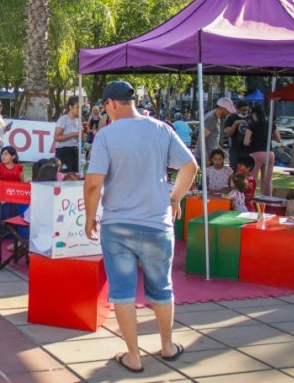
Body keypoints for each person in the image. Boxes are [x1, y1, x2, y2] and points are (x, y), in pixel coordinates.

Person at [84, 81, 197, 374]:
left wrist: (89, 217)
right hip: (157, 222)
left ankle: (133, 356)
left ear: (110, 104)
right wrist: (174, 198)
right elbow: (190, 166)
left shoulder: (106, 135)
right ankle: (168, 346)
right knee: (162, 287)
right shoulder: (161, 129)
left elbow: (94, 182)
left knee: (122, 291)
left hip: (118, 224)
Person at [243, 105, 280, 196]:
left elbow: (246, 142)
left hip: (256, 153)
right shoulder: (271, 124)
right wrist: (268, 137)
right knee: (267, 180)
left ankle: (250, 197)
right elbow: (278, 139)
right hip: (270, 153)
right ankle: (267, 199)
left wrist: (253, 140)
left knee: (252, 178)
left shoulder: (252, 125)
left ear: (254, 114)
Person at [195, 97, 236, 166]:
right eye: (227, 111)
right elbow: (201, 138)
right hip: (205, 157)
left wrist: (221, 151)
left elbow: (212, 139)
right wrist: (206, 158)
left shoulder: (216, 118)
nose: (228, 114)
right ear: (221, 108)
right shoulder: (212, 118)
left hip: (211, 155)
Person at [54, 96, 81, 173]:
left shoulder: (78, 120)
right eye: (77, 107)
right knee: (64, 174)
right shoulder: (63, 119)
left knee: (75, 174)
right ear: (70, 107)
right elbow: (56, 137)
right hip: (64, 151)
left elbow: (78, 135)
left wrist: (82, 136)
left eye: (81, 107)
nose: (79, 109)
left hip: (75, 150)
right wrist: (72, 135)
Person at [224, 100, 251, 171]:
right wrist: (236, 124)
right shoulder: (232, 118)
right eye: (243, 110)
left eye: (247, 110)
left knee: (246, 171)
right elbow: (228, 133)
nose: (245, 112)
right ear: (237, 109)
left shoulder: (251, 118)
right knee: (233, 170)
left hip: (248, 150)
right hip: (235, 149)